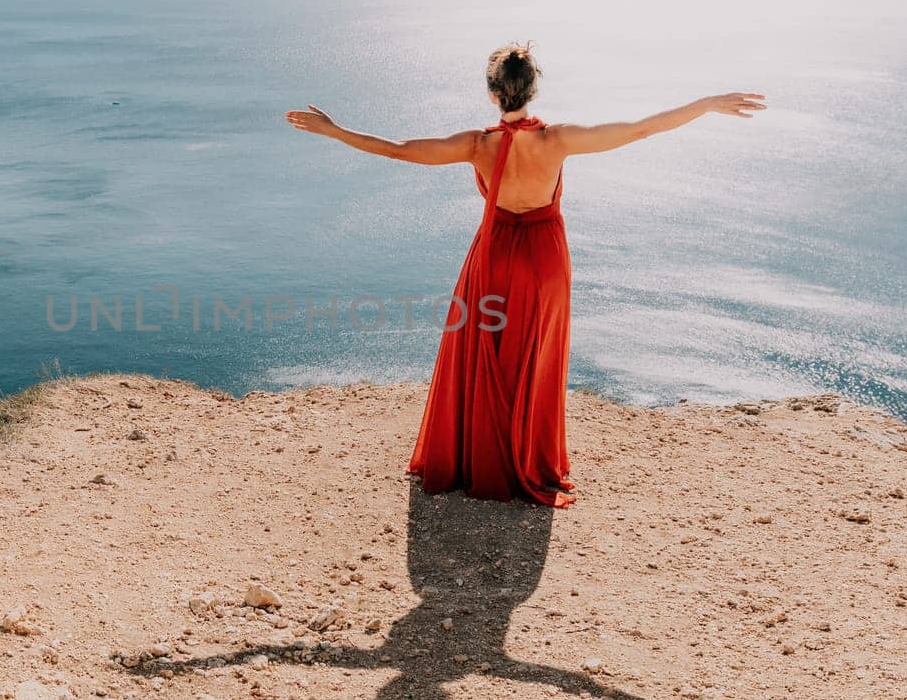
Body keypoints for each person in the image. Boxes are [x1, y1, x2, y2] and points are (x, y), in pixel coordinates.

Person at [286, 44, 764, 506]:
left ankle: (478, 460)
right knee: (535, 355)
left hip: (493, 253)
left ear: (494, 94)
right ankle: (529, 461)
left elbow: (398, 150)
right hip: (544, 257)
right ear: (531, 89)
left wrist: (334, 130)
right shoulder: (557, 140)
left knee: (484, 351)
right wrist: (707, 103)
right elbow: (640, 130)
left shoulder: (477, 145)